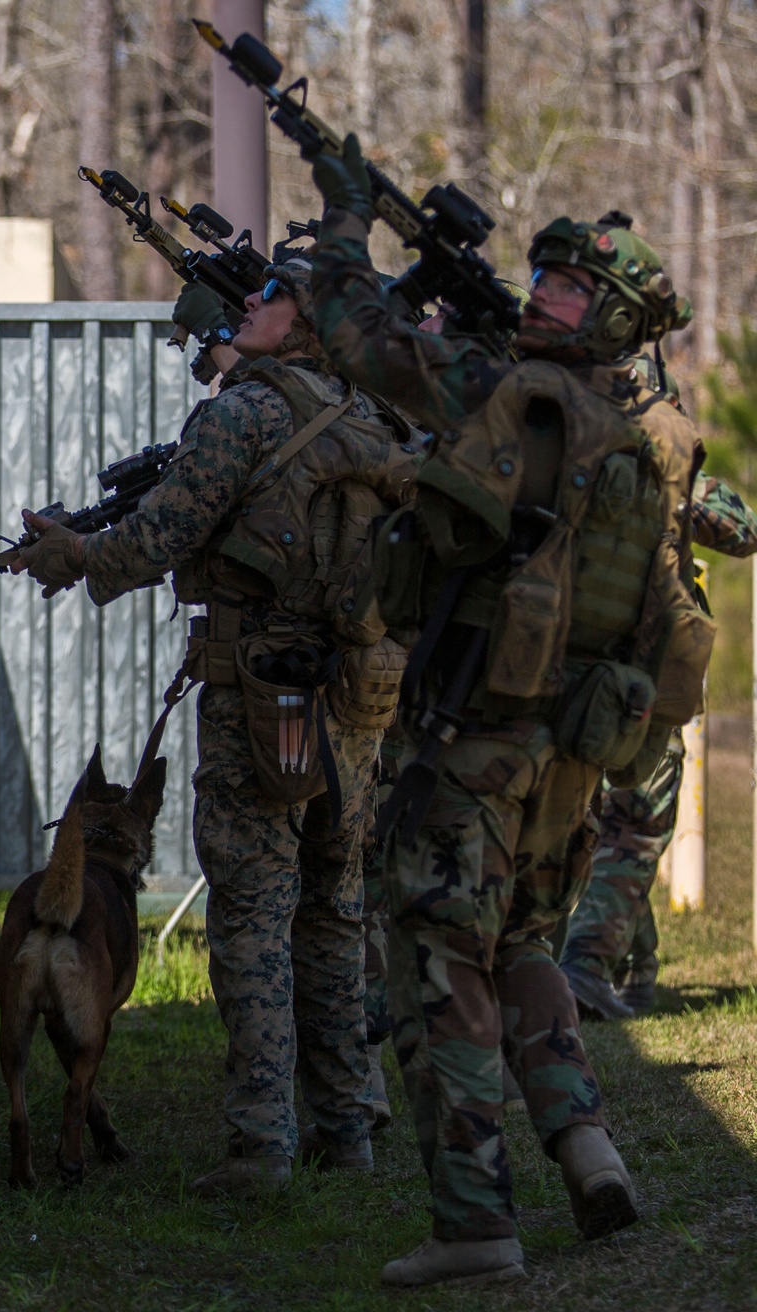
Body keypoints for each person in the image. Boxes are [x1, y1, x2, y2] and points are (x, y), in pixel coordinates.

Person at [304, 134, 705, 1287]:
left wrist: (343, 221)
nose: (545, 290)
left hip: (473, 750)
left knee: (436, 966)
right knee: (522, 940)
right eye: (546, 272)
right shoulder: (626, 443)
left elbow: (354, 333)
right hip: (563, 764)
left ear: (615, 319)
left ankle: (475, 1218)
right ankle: (585, 1146)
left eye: (574, 284)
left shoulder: (505, 395)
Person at [9, 257, 424, 1195]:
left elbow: (159, 537)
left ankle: (261, 1148)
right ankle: (347, 1132)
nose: (252, 304)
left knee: (252, 915)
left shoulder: (248, 411)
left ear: (305, 320)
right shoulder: (375, 420)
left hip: (261, 695)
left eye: (274, 294)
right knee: (334, 909)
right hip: (359, 692)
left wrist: (74, 552)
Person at [562, 461, 757, 1019]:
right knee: (632, 826)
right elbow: (741, 526)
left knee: (602, 827)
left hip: (566, 670)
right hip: (632, 677)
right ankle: (586, 966)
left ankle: (628, 965)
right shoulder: (652, 464)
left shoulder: (544, 440)